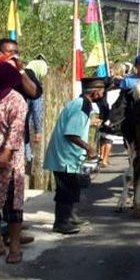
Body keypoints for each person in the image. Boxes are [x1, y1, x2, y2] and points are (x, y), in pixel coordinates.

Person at [43, 77, 105, 234]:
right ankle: (61, 222)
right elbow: (71, 133)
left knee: (71, 186)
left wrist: (89, 124)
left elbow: (73, 124)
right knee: (66, 188)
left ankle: (69, 217)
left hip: (66, 155)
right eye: (102, 91)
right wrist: (89, 148)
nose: (103, 94)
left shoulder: (80, 104)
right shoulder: (82, 106)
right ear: (96, 92)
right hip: (65, 156)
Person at [0, 61, 29, 263]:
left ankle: (14, 246)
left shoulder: (16, 100)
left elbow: (16, 130)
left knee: (12, 207)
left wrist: (5, 153)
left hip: (10, 161)